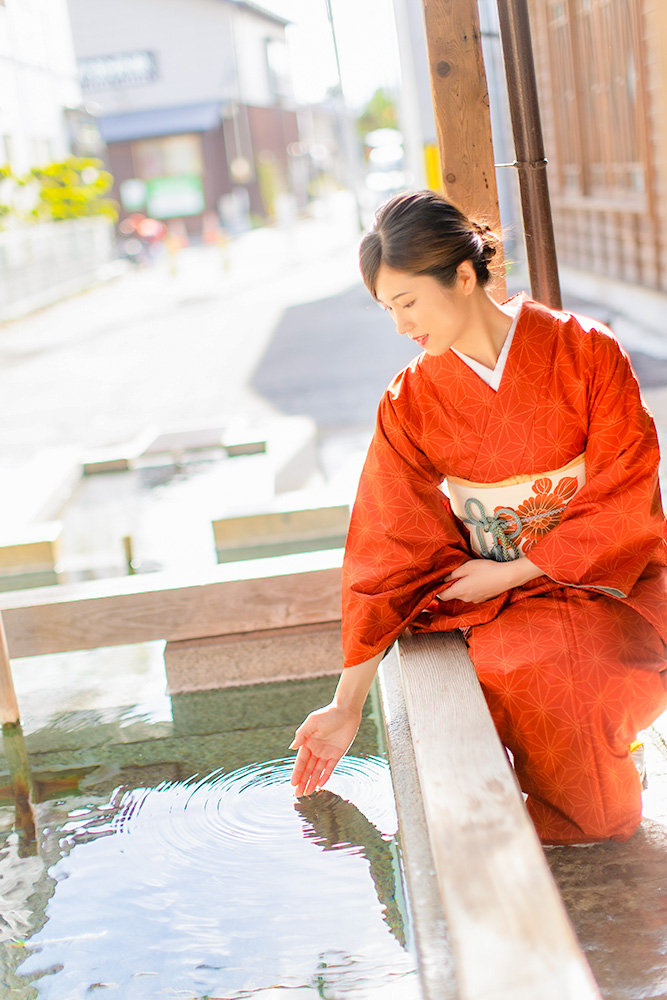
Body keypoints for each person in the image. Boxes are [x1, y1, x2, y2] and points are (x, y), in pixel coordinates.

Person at [289, 190, 667, 845]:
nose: (401, 327)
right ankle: (564, 824)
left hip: (610, 578)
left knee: (584, 672)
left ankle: (584, 817)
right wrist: (345, 702)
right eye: (387, 310)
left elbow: (626, 486)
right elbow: (387, 539)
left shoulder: (585, 351)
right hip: (503, 608)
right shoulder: (410, 399)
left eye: (407, 303)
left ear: (464, 277)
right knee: (525, 665)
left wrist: (515, 569)